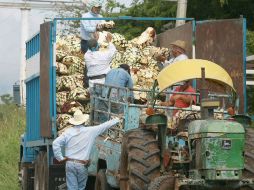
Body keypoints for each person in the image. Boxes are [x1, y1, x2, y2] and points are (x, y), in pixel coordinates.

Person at [52, 110, 120, 190]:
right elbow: (104, 126)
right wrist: (117, 119)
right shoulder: (90, 131)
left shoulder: (68, 132)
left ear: (73, 122)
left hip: (69, 163)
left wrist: (60, 158)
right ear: (83, 122)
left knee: (71, 188)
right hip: (81, 165)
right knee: (81, 188)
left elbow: (55, 143)